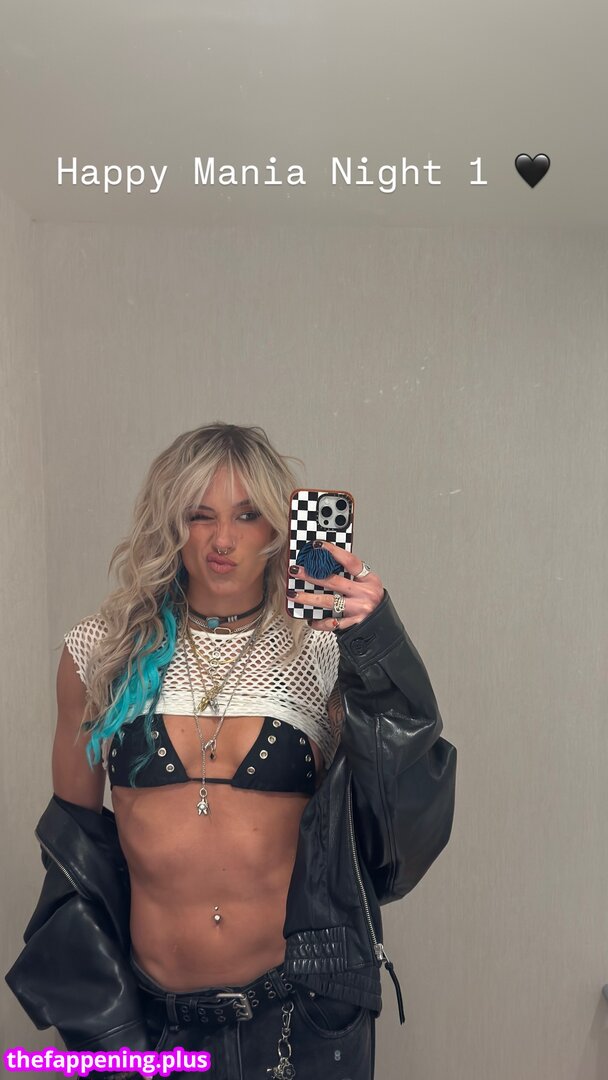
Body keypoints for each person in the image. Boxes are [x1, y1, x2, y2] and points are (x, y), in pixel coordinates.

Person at [6, 422, 457, 1080]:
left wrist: (376, 641)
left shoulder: (321, 650)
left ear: (278, 527)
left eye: (247, 515)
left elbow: (402, 833)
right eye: (200, 515)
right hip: (157, 1031)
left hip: (301, 1022)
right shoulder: (101, 653)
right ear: (170, 522)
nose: (223, 540)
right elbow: (73, 862)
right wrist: (111, 1038)